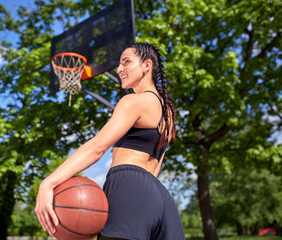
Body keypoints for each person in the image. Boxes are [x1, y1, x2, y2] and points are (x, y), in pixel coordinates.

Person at [35, 42, 185, 240]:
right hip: (159, 198)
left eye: (126, 62)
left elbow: (97, 147)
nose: (119, 69)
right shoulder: (168, 114)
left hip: (128, 187)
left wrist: (48, 183)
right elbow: (155, 168)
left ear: (146, 65)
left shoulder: (132, 101)